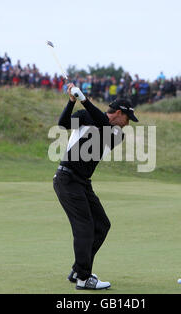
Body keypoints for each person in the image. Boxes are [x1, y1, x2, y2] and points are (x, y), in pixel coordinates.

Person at [53, 83, 139, 290]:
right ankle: (84, 277)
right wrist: (72, 101)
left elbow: (103, 123)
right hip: (67, 179)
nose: (127, 124)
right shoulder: (85, 116)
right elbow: (63, 123)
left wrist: (84, 99)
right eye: (128, 119)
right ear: (119, 113)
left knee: (101, 225)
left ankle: (78, 269)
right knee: (84, 227)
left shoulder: (117, 133)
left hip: (82, 182)